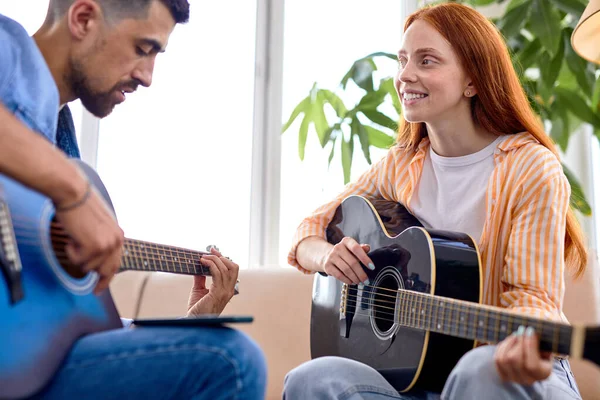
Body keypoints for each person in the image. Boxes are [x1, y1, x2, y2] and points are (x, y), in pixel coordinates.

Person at [283, 3, 585, 400]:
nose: (405, 75)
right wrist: (326, 256)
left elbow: (533, 298)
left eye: (427, 61)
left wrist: (527, 344)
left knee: (479, 371)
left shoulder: (531, 168)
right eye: (403, 60)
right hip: (420, 382)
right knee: (312, 378)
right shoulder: (400, 165)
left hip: (513, 375)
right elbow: (310, 229)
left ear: (472, 82)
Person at [0, 0, 266, 399]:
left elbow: (68, 329)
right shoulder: (6, 50)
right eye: (143, 48)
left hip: (20, 362)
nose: (147, 76)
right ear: (83, 18)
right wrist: (72, 191)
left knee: (213, 357)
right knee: (231, 360)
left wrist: (198, 316)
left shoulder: (63, 140)